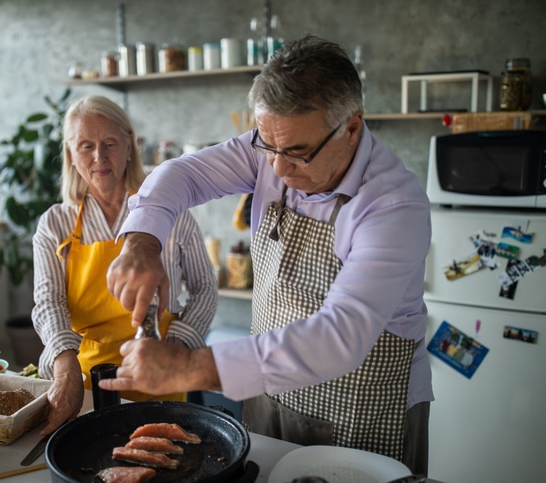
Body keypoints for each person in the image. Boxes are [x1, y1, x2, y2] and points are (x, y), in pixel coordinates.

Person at [103, 35, 433, 475]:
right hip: (271, 389)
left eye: (297, 153)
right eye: (266, 146)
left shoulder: (393, 205)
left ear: (352, 127)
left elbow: (340, 336)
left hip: (363, 409)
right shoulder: (274, 148)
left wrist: (188, 368)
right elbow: (180, 173)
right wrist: (143, 240)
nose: (276, 168)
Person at [31, 95, 218, 436]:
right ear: (71, 155)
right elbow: (48, 301)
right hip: (88, 384)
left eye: (110, 143)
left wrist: (177, 347)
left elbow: (204, 286)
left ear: (130, 145)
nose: (99, 157)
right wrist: (65, 367)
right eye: (86, 146)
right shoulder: (55, 224)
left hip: (160, 372)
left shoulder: (171, 214)